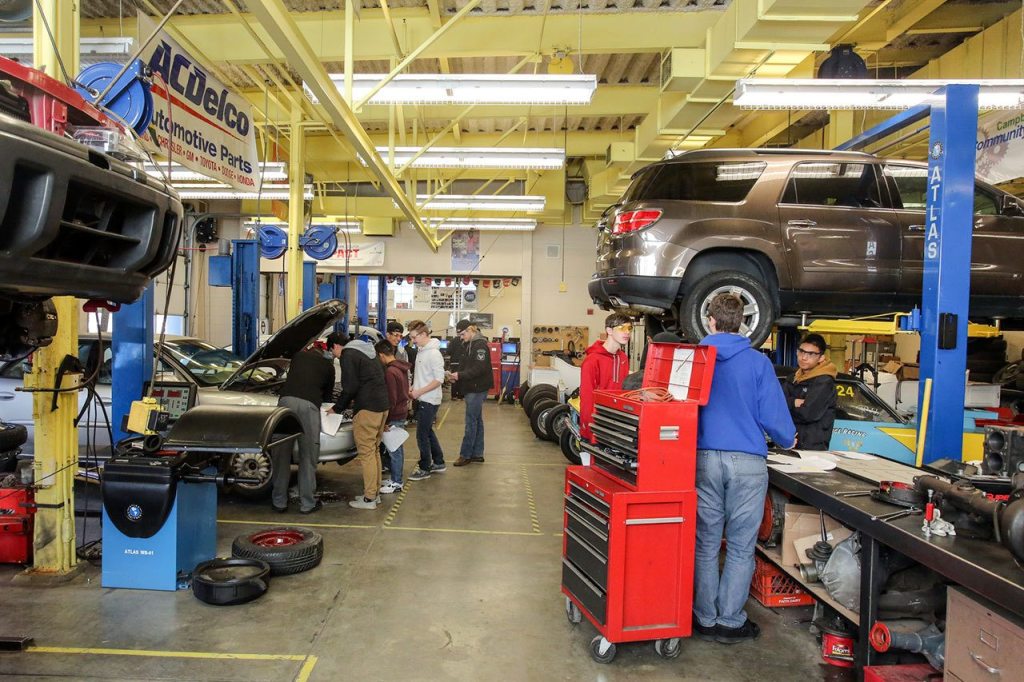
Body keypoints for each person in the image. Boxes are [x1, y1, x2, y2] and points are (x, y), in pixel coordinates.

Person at [694, 293, 797, 644]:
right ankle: (730, 621)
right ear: (742, 324)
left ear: (710, 321)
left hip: (704, 459)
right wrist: (787, 439)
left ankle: (704, 617)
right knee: (740, 546)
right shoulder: (757, 363)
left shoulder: (696, 359)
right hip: (748, 463)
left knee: (706, 542)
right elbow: (774, 416)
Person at [328, 331, 391, 510]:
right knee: (374, 450)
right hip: (382, 405)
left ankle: (369, 499)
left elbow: (350, 387)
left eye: (332, 352)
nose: (334, 356)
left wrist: (336, 408)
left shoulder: (348, 355)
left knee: (366, 453)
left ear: (336, 346)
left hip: (367, 408)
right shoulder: (367, 350)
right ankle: (374, 493)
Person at [272, 341, 336, 514]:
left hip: (284, 404)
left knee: (280, 454)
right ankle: (307, 503)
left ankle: (279, 502)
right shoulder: (329, 367)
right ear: (324, 354)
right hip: (308, 407)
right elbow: (328, 398)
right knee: (308, 455)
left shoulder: (298, 357)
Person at [578, 312, 632, 442]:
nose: (627, 332)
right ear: (609, 330)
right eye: (622, 328)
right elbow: (587, 397)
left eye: (629, 328)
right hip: (598, 421)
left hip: (618, 420)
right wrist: (588, 428)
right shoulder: (592, 360)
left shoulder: (623, 358)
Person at [782, 333, 838, 451]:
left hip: (811, 448)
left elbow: (807, 414)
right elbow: (776, 404)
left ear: (821, 358)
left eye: (811, 354)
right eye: (801, 352)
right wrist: (794, 402)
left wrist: (787, 405)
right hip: (789, 443)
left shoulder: (824, 381)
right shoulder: (793, 378)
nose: (804, 357)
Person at [406, 320, 446, 480]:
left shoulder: (434, 354)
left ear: (423, 334)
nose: (412, 340)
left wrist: (419, 392)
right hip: (422, 397)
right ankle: (439, 462)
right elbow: (422, 375)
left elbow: (439, 379)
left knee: (421, 435)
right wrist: (413, 387)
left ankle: (424, 468)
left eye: (414, 337)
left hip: (429, 400)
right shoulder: (422, 351)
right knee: (427, 431)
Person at [450, 319, 493, 466]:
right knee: (477, 420)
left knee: (471, 422)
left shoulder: (480, 346)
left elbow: (479, 368)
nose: (461, 338)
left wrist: (460, 375)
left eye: (462, 334)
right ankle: (477, 454)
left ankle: (466, 455)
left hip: (477, 388)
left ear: (470, 330)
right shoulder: (470, 344)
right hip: (473, 387)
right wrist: (456, 375)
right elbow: (467, 365)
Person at [375, 339, 411, 493]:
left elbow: (391, 399)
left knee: (394, 449)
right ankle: (396, 478)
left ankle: (397, 482)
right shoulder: (401, 368)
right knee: (397, 448)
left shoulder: (390, 372)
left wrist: (386, 420)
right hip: (402, 410)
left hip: (394, 415)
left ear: (381, 355)